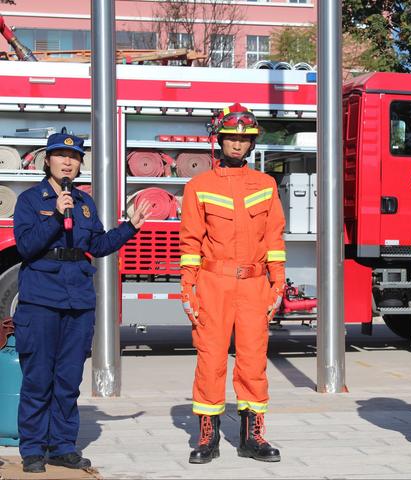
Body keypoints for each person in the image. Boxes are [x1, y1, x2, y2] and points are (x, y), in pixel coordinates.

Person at [13, 133, 150, 473]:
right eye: (60, 155)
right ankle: (32, 449)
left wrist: (130, 227)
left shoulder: (85, 204)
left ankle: (61, 446)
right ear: (47, 160)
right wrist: (55, 217)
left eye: (73, 157)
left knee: (68, 380)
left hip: (78, 302)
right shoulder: (31, 200)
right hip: (41, 300)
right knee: (37, 378)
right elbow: (27, 247)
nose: (68, 162)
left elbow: (99, 246)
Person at [180, 103, 286, 464]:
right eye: (231, 138)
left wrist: (278, 285)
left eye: (244, 139)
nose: (238, 145)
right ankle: (207, 437)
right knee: (210, 360)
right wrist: (187, 286)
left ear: (252, 142)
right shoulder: (199, 186)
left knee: (253, 361)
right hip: (213, 283)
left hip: (254, 285)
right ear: (220, 139)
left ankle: (251, 437)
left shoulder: (266, 185)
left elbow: (274, 240)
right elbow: (191, 242)